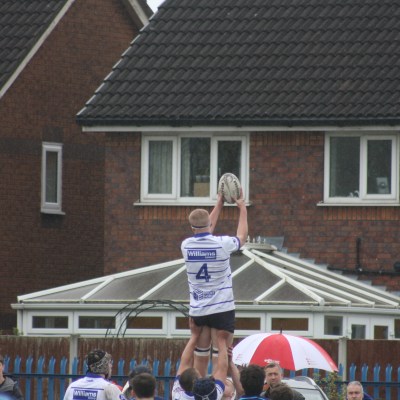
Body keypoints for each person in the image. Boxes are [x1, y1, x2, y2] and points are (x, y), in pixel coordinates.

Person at [181, 191, 248, 367]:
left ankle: (200, 385)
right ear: (209, 224)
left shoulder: (186, 245)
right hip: (222, 308)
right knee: (221, 356)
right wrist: (242, 209)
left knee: (200, 357)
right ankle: (220, 385)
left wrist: (219, 204)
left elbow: (205, 230)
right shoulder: (222, 243)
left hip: (199, 309)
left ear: (192, 228)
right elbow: (242, 237)